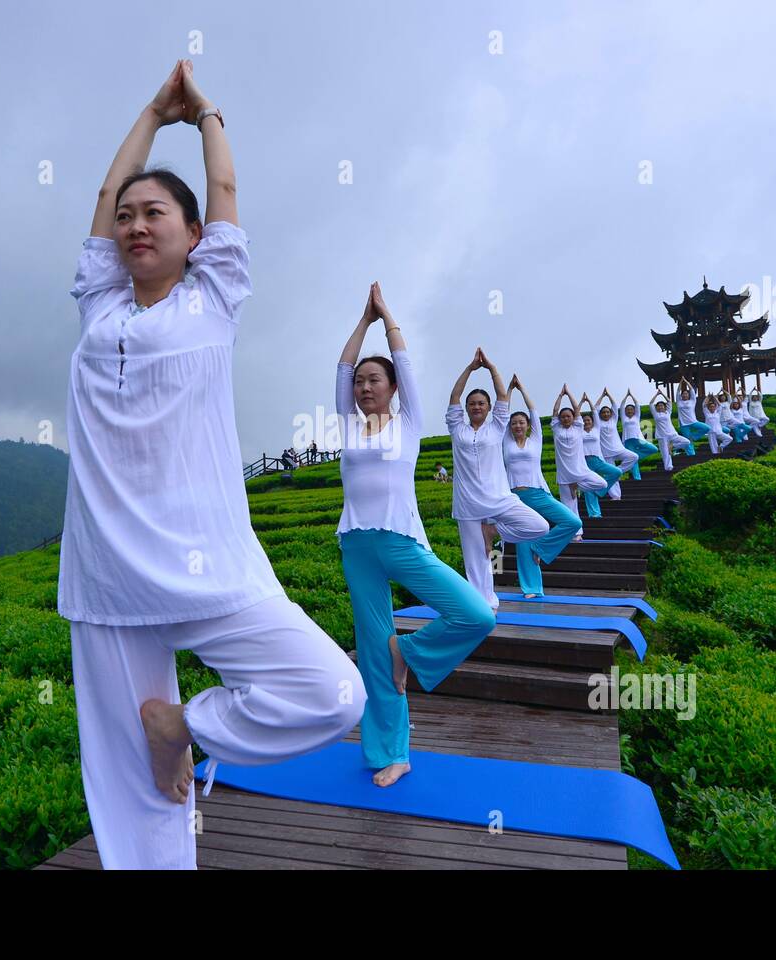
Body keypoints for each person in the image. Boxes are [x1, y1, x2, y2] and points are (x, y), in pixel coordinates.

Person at [60, 60, 366, 869]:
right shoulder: (100, 304)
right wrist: (146, 115)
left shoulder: (214, 296)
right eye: (126, 216)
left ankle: (185, 726)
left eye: (154, 212)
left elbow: (225, 188)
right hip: (106, 577)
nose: (133, 223)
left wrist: (201, 117)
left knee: (335, 693)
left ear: (194, 236)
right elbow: (102, 194)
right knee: (135, 788)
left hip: (209, 564)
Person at [336, 282, 496, 787]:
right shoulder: (345, 423)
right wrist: (361, 325)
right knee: (372, 649)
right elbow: (340, 369)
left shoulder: (408, 423)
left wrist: (387, 318)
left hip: (400, 539)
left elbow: (403, 363)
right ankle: (392, 752)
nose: (363, 387)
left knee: (473, 613)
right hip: (356, 544)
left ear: (393, 387)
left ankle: (411, 652)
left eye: (374, 380)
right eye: (360, 381)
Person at [446, 348, 550, 610]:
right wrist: (470, 369)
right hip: (467, 503)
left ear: (490, 408)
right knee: (477, 558)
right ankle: (485, 602)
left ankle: (493, 532)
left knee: (540, 527)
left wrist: (491, 368)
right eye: (473, 404)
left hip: (499, 498)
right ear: (467, 409)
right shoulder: (457, 427)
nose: (476, 406)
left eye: (481, 403)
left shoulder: (496, 426)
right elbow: (454, 395)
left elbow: (503, 395)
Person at [501, 375, 582, 599]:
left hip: (537, 493)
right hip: (514, 497)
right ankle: (532, 589)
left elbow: (534, 411)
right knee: (523, 542)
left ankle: (542, 548)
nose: (518, 425)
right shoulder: (506, 441)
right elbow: (502, 413)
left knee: (573, 522)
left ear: (528, 426)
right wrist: (508, 390)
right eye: (514, 423)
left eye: (522, 422)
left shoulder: (535, 439)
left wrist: (522, 389)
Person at [551, 384, 611, 524]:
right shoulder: (556, 428)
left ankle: (577, 486)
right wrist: (560, 395)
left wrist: (569, 393)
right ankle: (576, 533)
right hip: (564, 474)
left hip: (580, 470)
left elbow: (577, 409)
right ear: (560, 419)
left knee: (602, 483)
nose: (566, 418)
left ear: (573, 418)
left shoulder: (578, 427)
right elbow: (555, 411)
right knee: (569, 506)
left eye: (568, 416)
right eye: (563, 417)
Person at [578, 399, 623, 517]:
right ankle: (595, 514)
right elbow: (576, 415)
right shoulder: (578, 431)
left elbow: (595, 411)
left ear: (593, 421)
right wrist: (581, 403)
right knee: (588, 489)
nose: (586, 421)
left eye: (588, 420)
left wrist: (589, 401)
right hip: (585, 462)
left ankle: (600, 491)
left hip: (598, 460)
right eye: (584, 420)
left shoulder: (596, 429)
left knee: (616, 472)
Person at [594, 388, 639, 497]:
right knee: (613, 477)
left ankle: (617, 471)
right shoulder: (598, 423)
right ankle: (616, 496)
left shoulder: (613, 420)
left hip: (619, 449)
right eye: (603, 412)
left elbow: (614, 405)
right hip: (606, 452)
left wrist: (608, 395)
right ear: (600, 415)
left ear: (611, 414)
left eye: (607, 412)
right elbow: (595, 409)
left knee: (634, 457)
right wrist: (601, 396)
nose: (605, 414)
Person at [618, 389, 658, 480]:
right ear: (625, 411)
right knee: (634, 461)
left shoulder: (636, 416)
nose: (629, 411)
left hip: (639, 439)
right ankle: (637, 478)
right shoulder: (624, 418)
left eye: (631, 409)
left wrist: (631, 395)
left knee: (654, 449)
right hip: (628, 441)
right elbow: (621, 406)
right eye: (627, 410)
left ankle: (635, 459)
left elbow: (637, 405)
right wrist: (625, 397)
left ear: (634, 411)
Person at [650, 390, 693, 470]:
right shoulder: (655, 414)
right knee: (665, 454)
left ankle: (672, 447)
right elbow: (651, 403)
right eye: (658, 406)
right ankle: (668, 468)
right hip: (662, 436)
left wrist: (662, 394)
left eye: (662, 405)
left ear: (665, 407)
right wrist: (656, 394)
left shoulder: (668, 412)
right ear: (656, 408)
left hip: (672, 434)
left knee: (687, 442)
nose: (660, 407)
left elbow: (669, 401)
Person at [675, 377, 711, 446]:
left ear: (689, 395)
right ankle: (691, 455)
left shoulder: (692, 401)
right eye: (683, 394)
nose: (685, 395)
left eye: (686, 394)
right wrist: (681, 382)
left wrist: (686, 381)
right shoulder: (679, 401)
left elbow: (691, 390)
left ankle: (694, 437)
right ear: (681, 395)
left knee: (706, 428)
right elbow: (677, 392)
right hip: (684, 424)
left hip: (693, 421)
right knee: (688, 443)